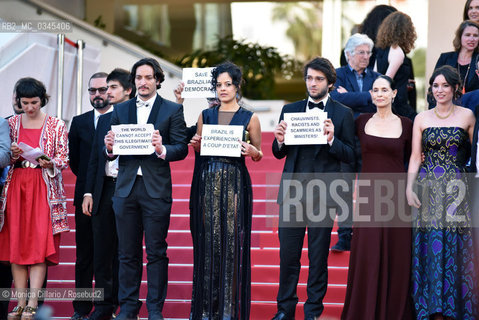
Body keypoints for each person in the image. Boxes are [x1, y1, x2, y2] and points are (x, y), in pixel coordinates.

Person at [104, 58, 188, 320]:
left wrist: (163, 148)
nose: (142, 82)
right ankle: (128, 307)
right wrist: (109, 148)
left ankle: (154, 309)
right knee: (126, 253)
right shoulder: (120, 110)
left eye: (148, 77)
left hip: (156, 189)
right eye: (138, 78)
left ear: (157, 81)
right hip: (125, 188)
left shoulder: (172, 110)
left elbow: (182, 148)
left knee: (156, 252)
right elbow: (112, 151)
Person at [271, 57, 355, 320]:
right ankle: (284, 310)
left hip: (324, 194)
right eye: (309, 78)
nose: (313, 83)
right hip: (293, 192)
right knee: (288, 258)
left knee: (318, 259)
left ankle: (312, 312)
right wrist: (279, 141)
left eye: (319, 78)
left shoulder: (343, 114)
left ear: (330, 83)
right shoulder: (290, 109)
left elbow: (351, 154)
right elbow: (278, 153)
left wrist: (332, 140)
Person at [186, 62, 262, 319]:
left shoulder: (250, 117)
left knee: (231, 246)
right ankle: (206, 311)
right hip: (207, 183)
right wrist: (196, 145)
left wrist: (253, 151)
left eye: (228, 84)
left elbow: (258, 154)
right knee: (209, 245)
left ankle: (229, 311)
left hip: (235, 184)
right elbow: (200, 150)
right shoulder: (204, 116)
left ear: (237, 86)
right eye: (218, 85)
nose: (223, 89)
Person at [406, 65, 477, 319]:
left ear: (455, 88)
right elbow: (415, 157)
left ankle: (454, 307)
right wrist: (408, 187)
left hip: (457, 189)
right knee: (428, 246)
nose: (439, 90)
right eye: (435, 86)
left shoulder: (468, 116)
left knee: (456, 246)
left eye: (445, 85)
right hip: (427, 189)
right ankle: (430, 307)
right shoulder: (421, 118)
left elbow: (475, 154)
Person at [341, 75, 414, 320]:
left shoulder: (407, 124)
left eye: (384, 90)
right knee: (368, 254)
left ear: (394, 93)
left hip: (398, 196)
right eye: (375, 90)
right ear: (370, 95)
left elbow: (414, 160)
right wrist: (331, 139)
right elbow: (348, 153)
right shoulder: (360, 121)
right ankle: (364, 312)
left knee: (398, 255)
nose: (379, 94)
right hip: (369, 195)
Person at [0, 77, 69, 320]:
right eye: (25, 102)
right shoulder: (10, 123)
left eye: (35, 102)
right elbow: (4, 155)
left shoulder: (57, 124)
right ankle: (19, 302)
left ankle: (32, 302)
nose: (30, 107)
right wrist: (13, 155)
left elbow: (63, 157)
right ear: (18, 101)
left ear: (43, 100)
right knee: (16, 245)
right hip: (17, 186)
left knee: (40, 245)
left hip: (43, 187)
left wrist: (50, 162)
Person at [82, 68, 134, 320]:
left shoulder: (139, 118)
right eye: (105, 88)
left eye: (112, 87)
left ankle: (124, 306)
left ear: (127, 91)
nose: (106, 92)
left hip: (130, 189)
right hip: (103, 189)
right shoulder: (103, 119)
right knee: (101, 251)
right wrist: (89, 192)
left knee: (125, 251)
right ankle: (102, 307)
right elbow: (94, 159)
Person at [68, 72, 111, 320]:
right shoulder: (79, 121)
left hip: (110, 195)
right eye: (92, 90)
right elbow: (75, 162)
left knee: (109, 254)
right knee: (84, 255)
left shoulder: (119, 119)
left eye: (102, 90)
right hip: (83, 195)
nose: (97, 95)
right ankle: (81, 308)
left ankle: (108, 306)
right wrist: (87, 186)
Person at [375, 11, 417, 120]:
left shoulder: (381, 51)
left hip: (387, 105)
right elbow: (386, 81)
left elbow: (375, 77)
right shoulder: (397, 51)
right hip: (397, 106)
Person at [434, 20, 479, 95]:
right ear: (460, 36)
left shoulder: (478, 61)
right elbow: (434, 86)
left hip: (473, 106)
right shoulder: (445, 58)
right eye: (467, 35)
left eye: (475, 35)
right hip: (447, 105)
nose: (472, 39)